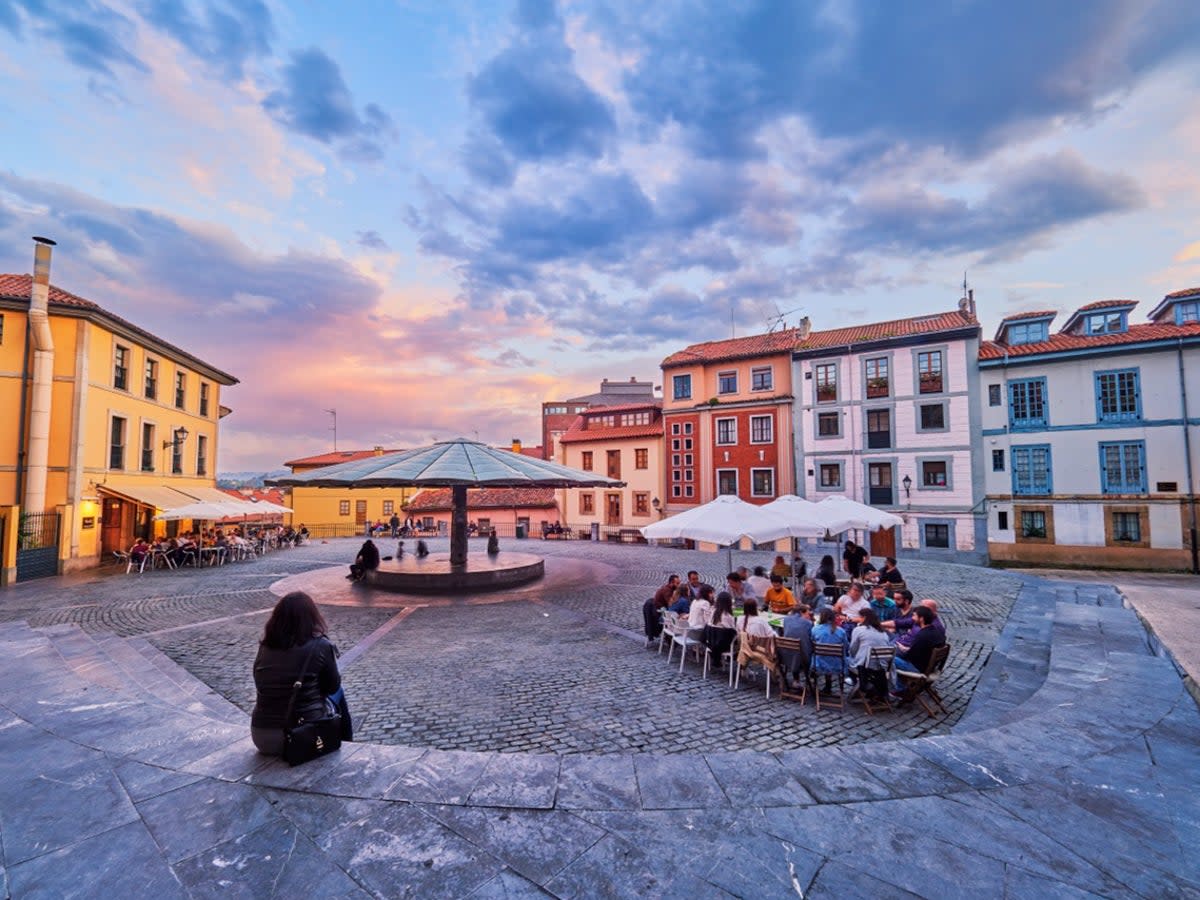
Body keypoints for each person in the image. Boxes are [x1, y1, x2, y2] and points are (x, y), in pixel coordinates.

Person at [250, 591, 346, 755]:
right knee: (339, 694)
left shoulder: (265, 646)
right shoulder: (321, 645)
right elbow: (332, 686)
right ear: (312, 617)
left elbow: (259, 681)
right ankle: (345, 741)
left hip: (261, 736)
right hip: (302, 736)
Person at [893, 605, 945, 692]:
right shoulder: (936, 632)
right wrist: (907, 649)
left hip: (917, 667)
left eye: (914, 615)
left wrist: (903, 649)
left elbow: (909, 657)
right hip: (929, 665)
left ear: (921, 618)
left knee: (888, 658)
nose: (912, 618)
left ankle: (899, 687)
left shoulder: (921, 635)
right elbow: (920, 650)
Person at [849, 607, 892, 697]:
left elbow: (853, 649)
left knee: (846, 660)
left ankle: (856, 682)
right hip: (881, 666)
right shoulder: (883, 633)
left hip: (865, 666)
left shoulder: (859, 630)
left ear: (864, 618)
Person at [810, 607, 849, 693]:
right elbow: (846, 647)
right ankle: (828, 685)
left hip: (819, 664)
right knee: (830, 657)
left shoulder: (815, 630)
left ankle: (813, 681)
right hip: (838, 664)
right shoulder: (841, 631)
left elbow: (812, 643)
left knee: (818, 655)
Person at [780, 603, 814, 688]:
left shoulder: (786, 620)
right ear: (802, 613)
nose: (808, 614)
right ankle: (812, 678)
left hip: (785, 655)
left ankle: (796, 679)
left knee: (796, 650)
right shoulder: (808, 623)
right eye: (807, 613)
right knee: (811, 650)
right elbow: (811, 638)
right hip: (803, 658)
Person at [702, 591, 738, 671]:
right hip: (722, 644)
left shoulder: (713, 611)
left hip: (710, 641)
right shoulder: (727, 616)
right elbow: (732, 629)